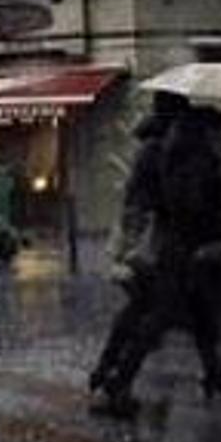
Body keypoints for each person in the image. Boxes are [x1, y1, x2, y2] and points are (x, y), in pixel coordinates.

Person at [94, 105, 221, 414]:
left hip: (181, 250)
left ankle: (216, 377)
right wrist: (218, 235)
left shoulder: (181, 154)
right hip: (187, 252)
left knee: (198, 317)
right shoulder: (191, 158)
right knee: (157, 320)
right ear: (208, 131)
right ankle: (116, 381)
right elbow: (191, 205)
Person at [88, 93, 183, 394]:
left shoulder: (150, 146)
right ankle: (120, 376)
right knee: (157, 311)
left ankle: (108, 367)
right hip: (152, 241)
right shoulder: (159, 151)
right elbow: (162, 197)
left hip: (140, 238)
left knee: (141, 307)